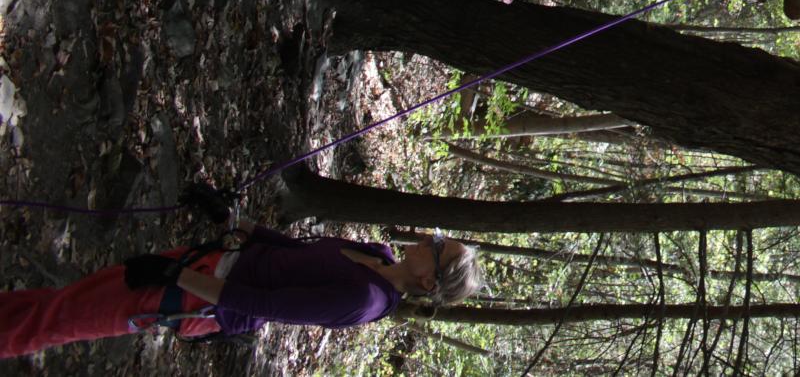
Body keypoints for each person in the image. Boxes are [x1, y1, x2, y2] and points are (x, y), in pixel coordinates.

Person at [0, 190, 482, 358]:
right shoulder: (377, 252)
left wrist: (174, 276)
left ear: (429, 282)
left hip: (198, 298)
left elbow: (260, 303)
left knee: (67, 319)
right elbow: (292, 251)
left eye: (438, 247)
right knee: (72, 298)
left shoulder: (363, 301)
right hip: (203, 266)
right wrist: (230, 218)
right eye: (440, 236)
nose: (430, 238)